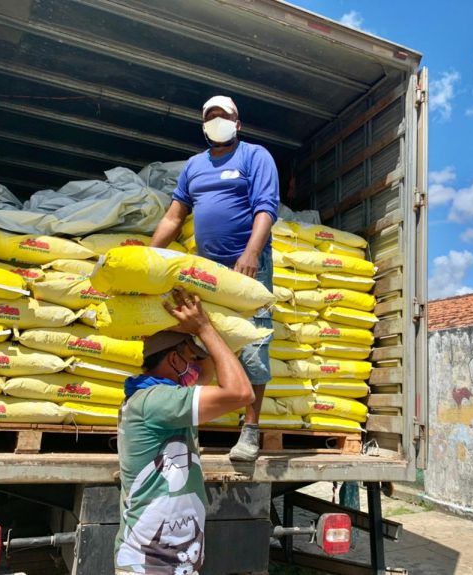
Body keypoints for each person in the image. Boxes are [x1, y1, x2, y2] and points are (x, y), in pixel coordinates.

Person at [150, 95, 279, 461]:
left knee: (254, 343)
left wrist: (251, 253)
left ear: (238, 123)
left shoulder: (255, 156)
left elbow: (266, 208)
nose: (217, 121)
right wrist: (149, 256)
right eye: (210, 116)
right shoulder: (194, 166)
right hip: (207, 270)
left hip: (249, 265)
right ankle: (190, 423)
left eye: (224, 116)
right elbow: (174, 217)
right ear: (203, 124)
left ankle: (250, 430)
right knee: (201, 341)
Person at [113, 287, 255, 575]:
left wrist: (205, 335)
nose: (196, 365)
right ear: (174, 360)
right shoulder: (157, 402)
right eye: (191, 357)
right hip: (150, 565)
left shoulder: (161, 397)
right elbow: (241, 393)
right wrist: (203, 327)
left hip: (175, 562)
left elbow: (208, 373)